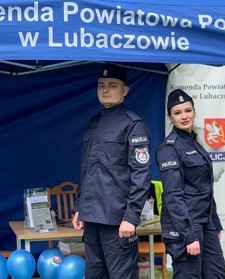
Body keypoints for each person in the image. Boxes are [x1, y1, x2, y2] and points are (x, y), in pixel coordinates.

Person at [72, 63, 152, 279]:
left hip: (117, 220)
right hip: (92, 219)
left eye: (112, 85)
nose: (105, 89)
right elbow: (87, 171)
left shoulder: (133, 125)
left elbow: (141, 175)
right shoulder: (94, 123)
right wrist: (80, 207)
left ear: (125, 90)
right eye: (101, 85)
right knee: (94, 275)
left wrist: (131, 216)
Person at [156, 89, 225, 278]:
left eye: (187, 110)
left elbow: (206, 188)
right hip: (184, 224)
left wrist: (215, 223)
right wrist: (188, 235)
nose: (184, 116)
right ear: (170, 117)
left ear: (194, 111)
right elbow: (172, 195)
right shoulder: (168, 149)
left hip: (205, 221)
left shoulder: (194, 143)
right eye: (177, 113)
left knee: (216, 273)